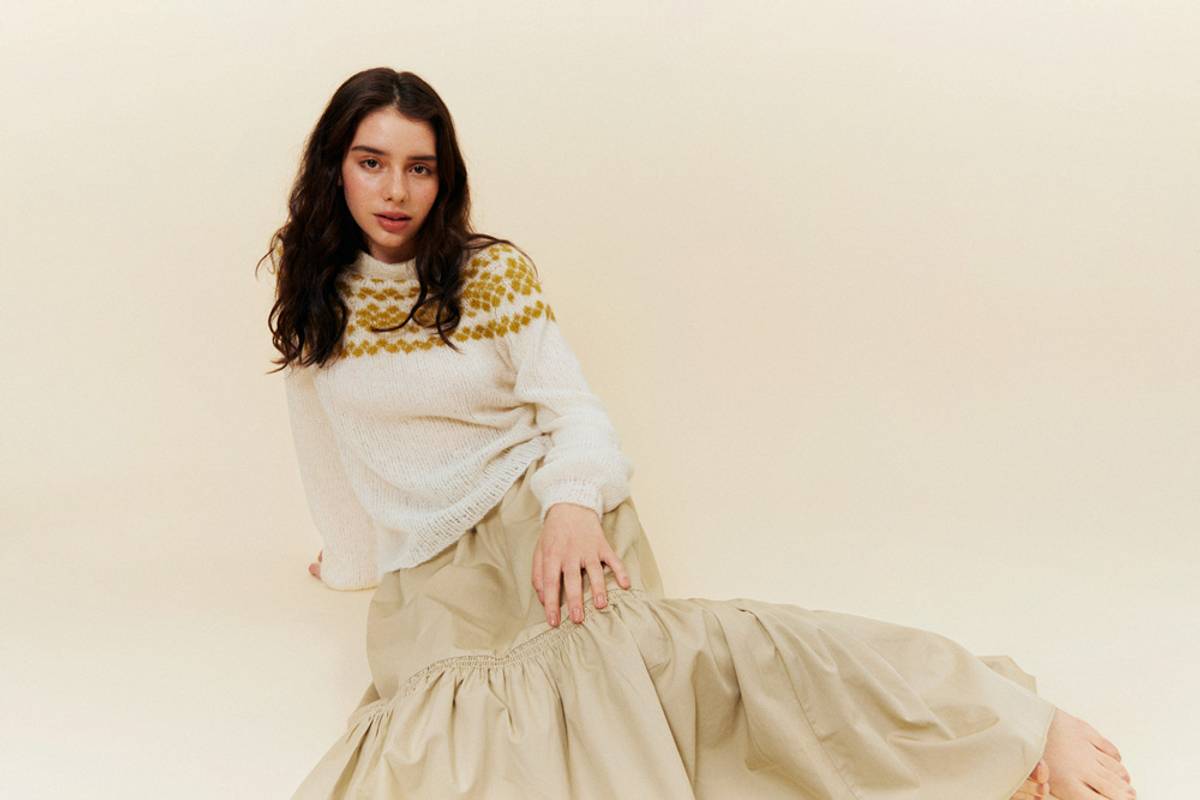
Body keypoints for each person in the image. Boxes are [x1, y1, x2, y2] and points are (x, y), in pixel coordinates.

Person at [260, 68, 1137, 800]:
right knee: (448, 758)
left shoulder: (489, 275)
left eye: (420, 168)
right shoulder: (312, 302)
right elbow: (328, 453)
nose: (396, 191)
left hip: (548, 527)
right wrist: (348, 561)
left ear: (443, 178)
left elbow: (576, 415)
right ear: (336, 167)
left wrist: (573, 506)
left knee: (697, 678)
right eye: (372, 163)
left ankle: (1004, 727)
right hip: (431, 580)